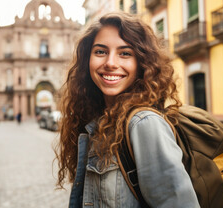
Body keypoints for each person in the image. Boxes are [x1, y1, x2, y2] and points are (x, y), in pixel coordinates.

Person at [55, 12, 200, 207]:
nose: (111, 63)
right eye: (100, 52)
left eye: (125, 53)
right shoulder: (98, 121)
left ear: (142, 63)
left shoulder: (144, 124)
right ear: (86, 60)